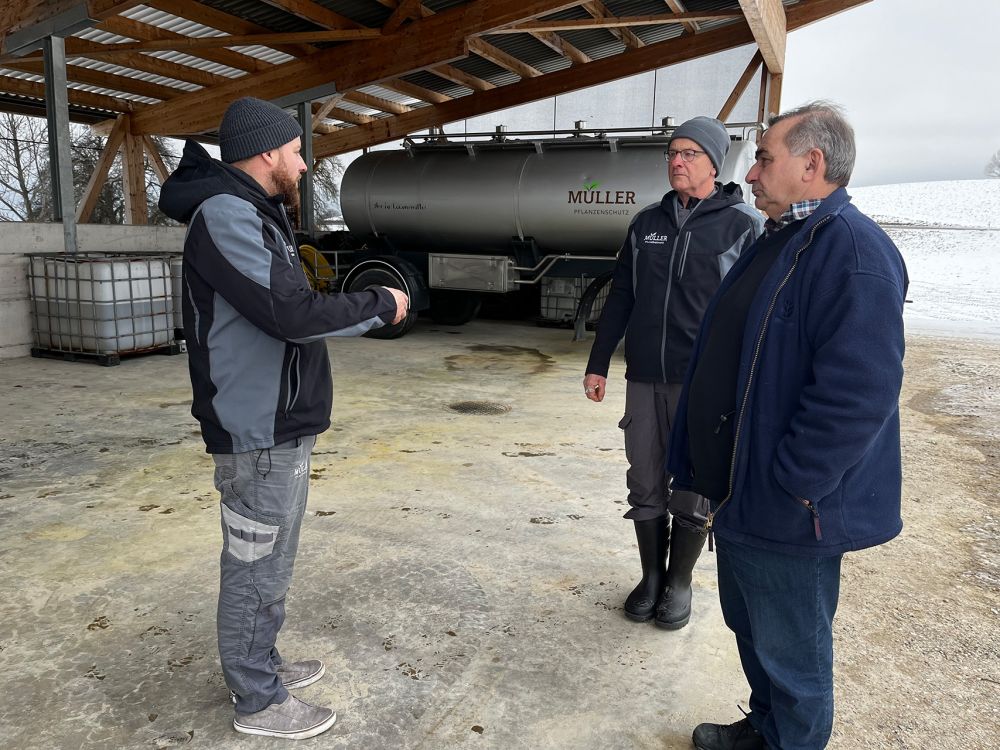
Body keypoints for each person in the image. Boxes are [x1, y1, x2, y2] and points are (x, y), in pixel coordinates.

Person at [158, 97, 408, 740]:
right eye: (296, 151)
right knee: (253, 565)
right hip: (255, 430)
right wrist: (381, 303)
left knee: (272, 562)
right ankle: (257, 701)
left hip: (278, 425)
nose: (301, 164)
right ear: (268, 151)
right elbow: (291, 315)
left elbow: (285, 309)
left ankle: (260, 665)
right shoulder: (225, 215)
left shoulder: (250, 212)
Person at [668, 102, 908, 750]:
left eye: (765, 158)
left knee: (795, 654)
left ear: (813, 163)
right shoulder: (781, 240)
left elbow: (859, 394)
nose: (749, 174)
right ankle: (765, 730)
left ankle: (790, 739)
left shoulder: (854, 252)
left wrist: (794, 482)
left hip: (787, 506)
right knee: (755, 632)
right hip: (743, 495)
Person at [583, 116, 764, 629]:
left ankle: (680, 582)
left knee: (691, 484)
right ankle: (651, 578)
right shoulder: (646, 225)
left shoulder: (743, 225)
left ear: (713, 162)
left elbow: (754, 311)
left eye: (688, 153)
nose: (677, 161)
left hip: (702, 383)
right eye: (672, 153)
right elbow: (621, 296)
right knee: (644, 476)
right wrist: (599, 363)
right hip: (644, 377)